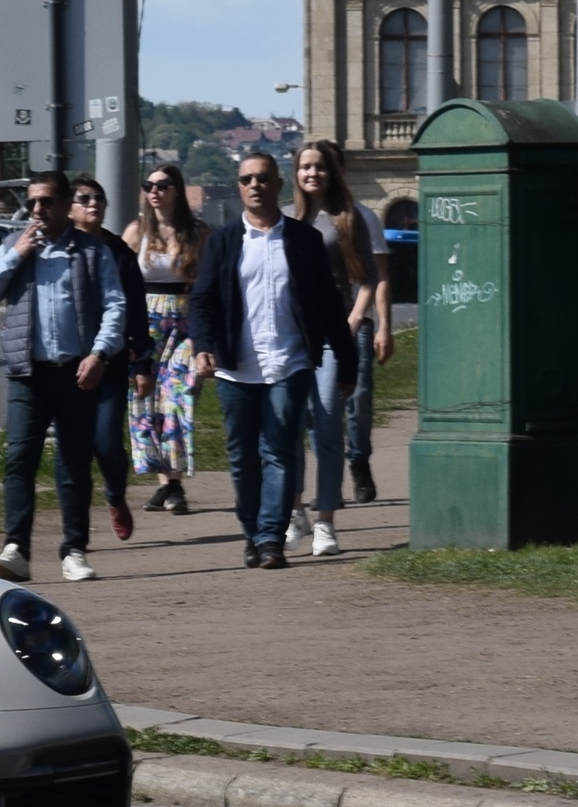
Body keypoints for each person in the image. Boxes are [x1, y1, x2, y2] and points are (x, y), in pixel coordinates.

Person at [188, 153, 358, 570]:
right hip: (235, 366)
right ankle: (251, 530)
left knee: (280, 451)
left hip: (290, 362)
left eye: (263, 178)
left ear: (277, 184)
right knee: (242, 457)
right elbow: (203, 300)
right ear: (238, 186)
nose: (255, 185)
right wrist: (203, 345)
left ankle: (270, 539)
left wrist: (347, 361)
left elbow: (328, 305)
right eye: (247, 179)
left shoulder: (304, 240)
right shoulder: (223, 241)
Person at [0, 171, 129, 585]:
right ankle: (16, 549)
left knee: (74, 464)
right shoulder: (16, 245)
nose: (37, 210)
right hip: (28, 374)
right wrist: (16, 254)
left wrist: (99, 354)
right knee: (19, 459)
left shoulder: (93, 253)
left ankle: (74, 550)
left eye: (46, 202)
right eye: (32, 203)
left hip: (76, 373)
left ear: (65, 204)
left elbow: (116, 308)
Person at [289, 139, 391, 553]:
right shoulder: (285, 219)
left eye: (319, 167)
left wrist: (354, 322)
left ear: (332, 172)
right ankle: (295, 512)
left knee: (329, 422)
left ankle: (326, 520)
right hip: (294, 336)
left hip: (336, 333)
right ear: (296, 174)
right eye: (305, 167)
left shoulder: (349, 219)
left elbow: (369, 276)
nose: (312, 174)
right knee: (290, 426)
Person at [68, 176, 153, 543]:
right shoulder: (62, 250)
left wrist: (143, 363)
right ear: (69, 207)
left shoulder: (120, 254)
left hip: (112, 364)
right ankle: (76, 533)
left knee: (105, 442)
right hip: (66, 366)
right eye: (84, 198)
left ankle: (115, 495)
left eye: (98, 198)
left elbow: (137, 313)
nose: (93, 204)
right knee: (74, 453)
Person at [122, 162, 204, 514]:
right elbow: (122, 284)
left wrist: (207, 338)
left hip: (185, 326)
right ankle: (166, 483)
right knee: (145, 404)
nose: (154, 191)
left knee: (176, 400)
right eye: (149, 185)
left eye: (163, 185)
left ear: (177, 190)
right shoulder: (136, 232)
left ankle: (173, 482)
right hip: (146, 323)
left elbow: (209, 284)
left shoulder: (198, 233)